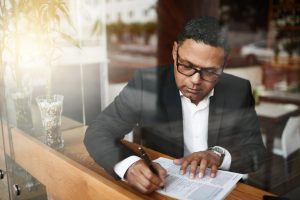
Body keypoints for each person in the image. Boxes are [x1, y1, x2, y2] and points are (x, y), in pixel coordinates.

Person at [84, 16, 266, 194]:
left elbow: (256, 152)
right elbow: (98, 131)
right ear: (174, 51)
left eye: (210, 71)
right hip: (163, 188)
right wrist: (129, 165)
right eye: (187, 65)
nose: (195, 81)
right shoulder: (146, 84)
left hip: (226, 193)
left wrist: (218, 154)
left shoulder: (238, 89)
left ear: (224, 64)